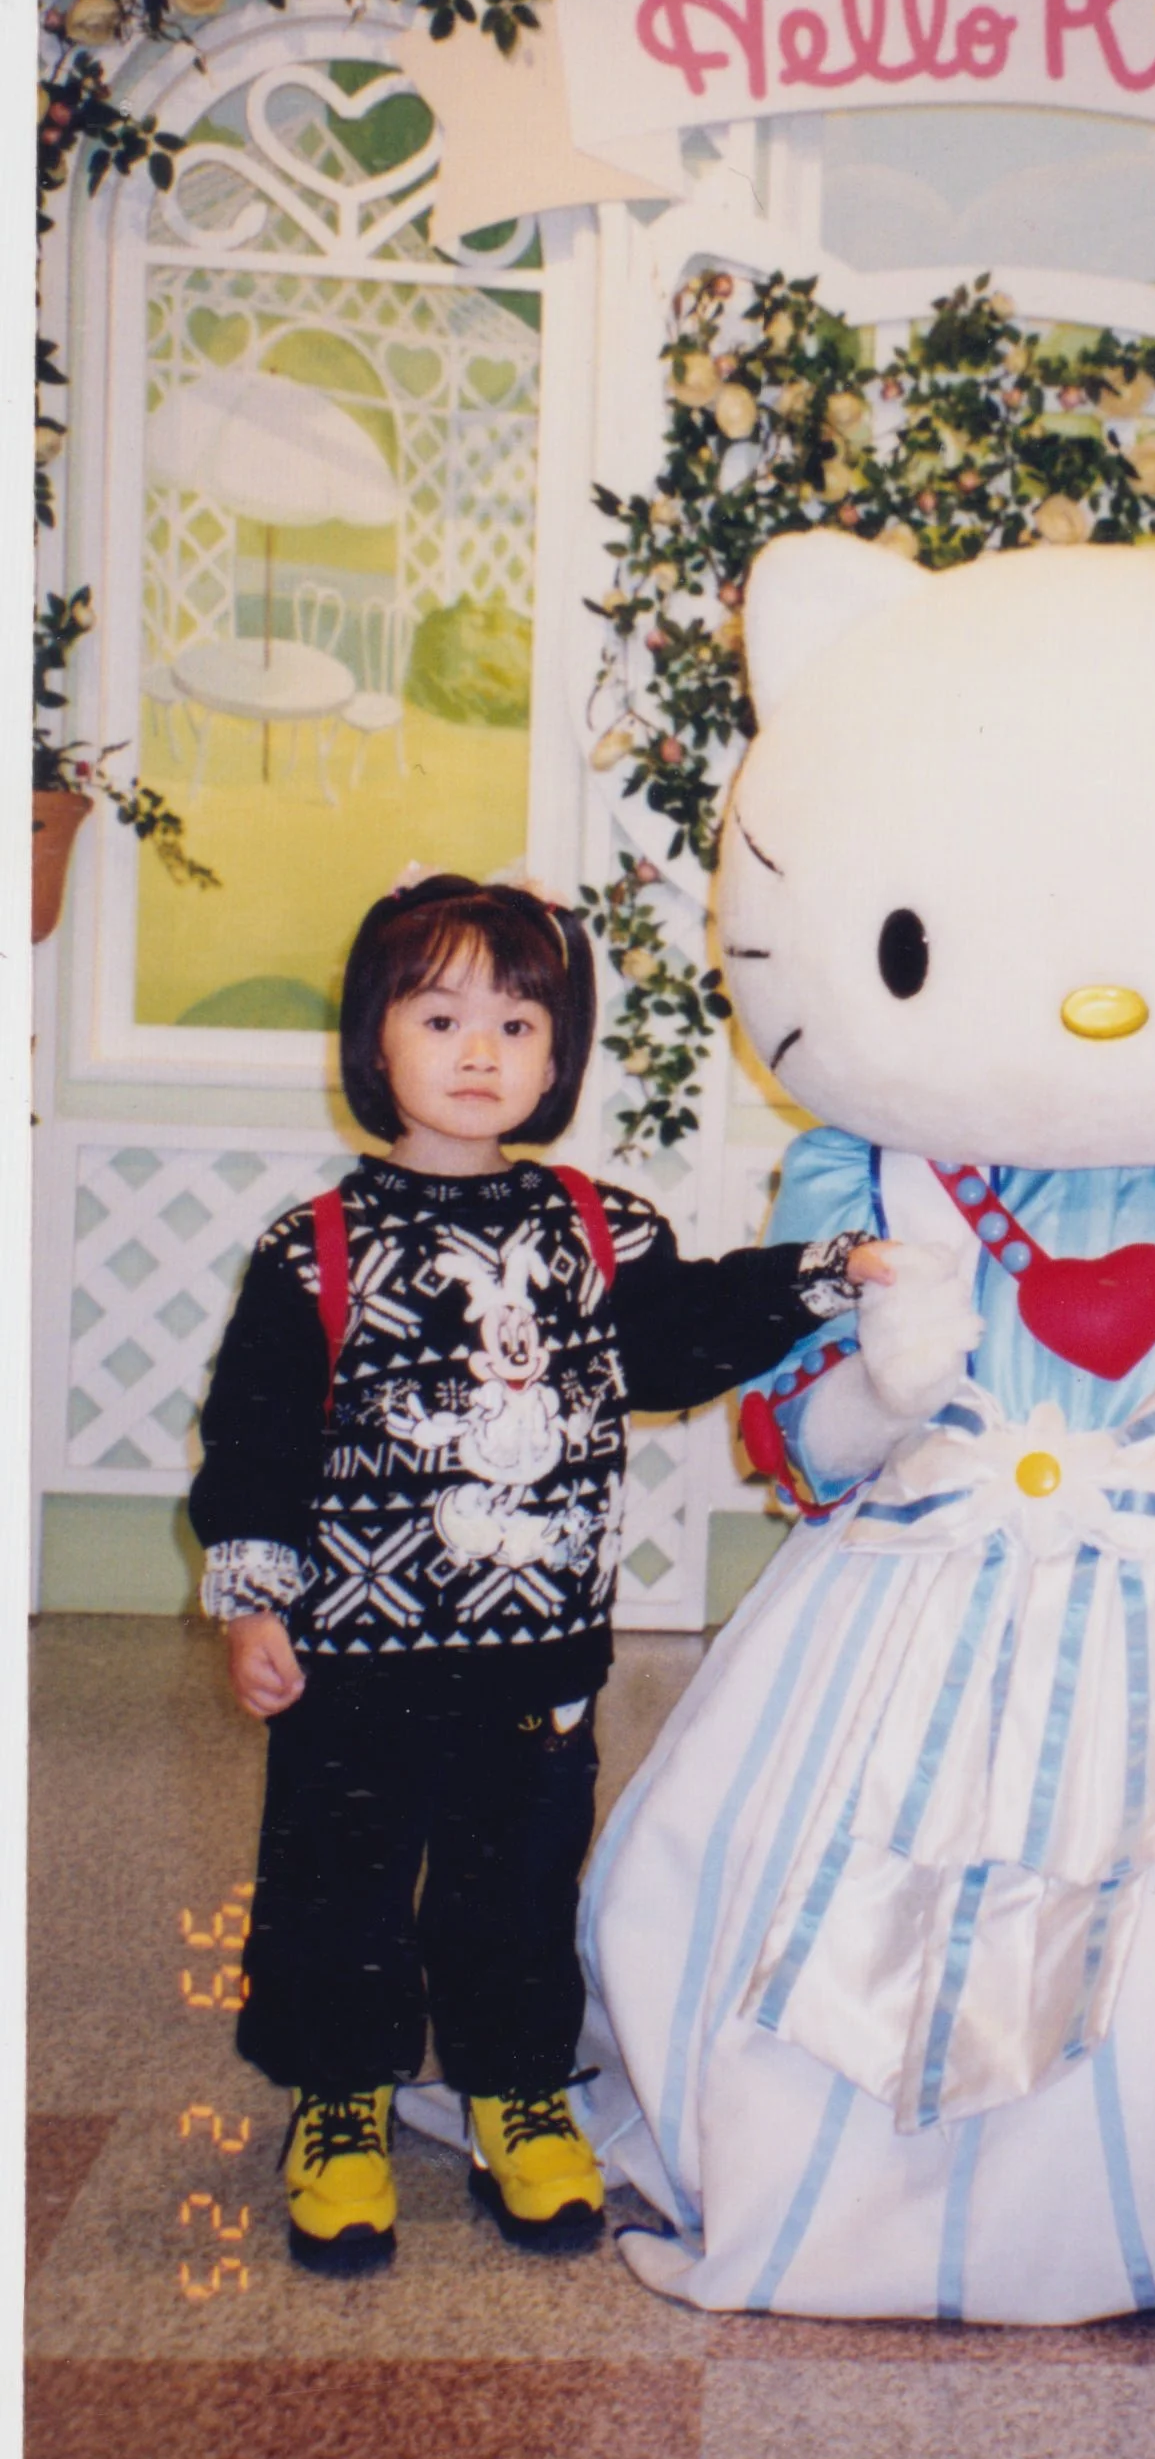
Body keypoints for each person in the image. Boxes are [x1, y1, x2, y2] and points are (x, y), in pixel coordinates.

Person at [190, 872, 892, 2274]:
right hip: (353, 1667)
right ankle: (344, 2100)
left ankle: (519, 2087)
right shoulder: (313, 1251)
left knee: (517, 1886)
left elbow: (683, 1335)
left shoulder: (599, 1229)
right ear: (372, 1042)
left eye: (518, 1023)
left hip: (536, 1657)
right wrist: (256, 1597)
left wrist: (826, 1273)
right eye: (440, 1016)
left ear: (559, 1054)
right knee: (342, 1880)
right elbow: (258, 1435)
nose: (478, 1052)